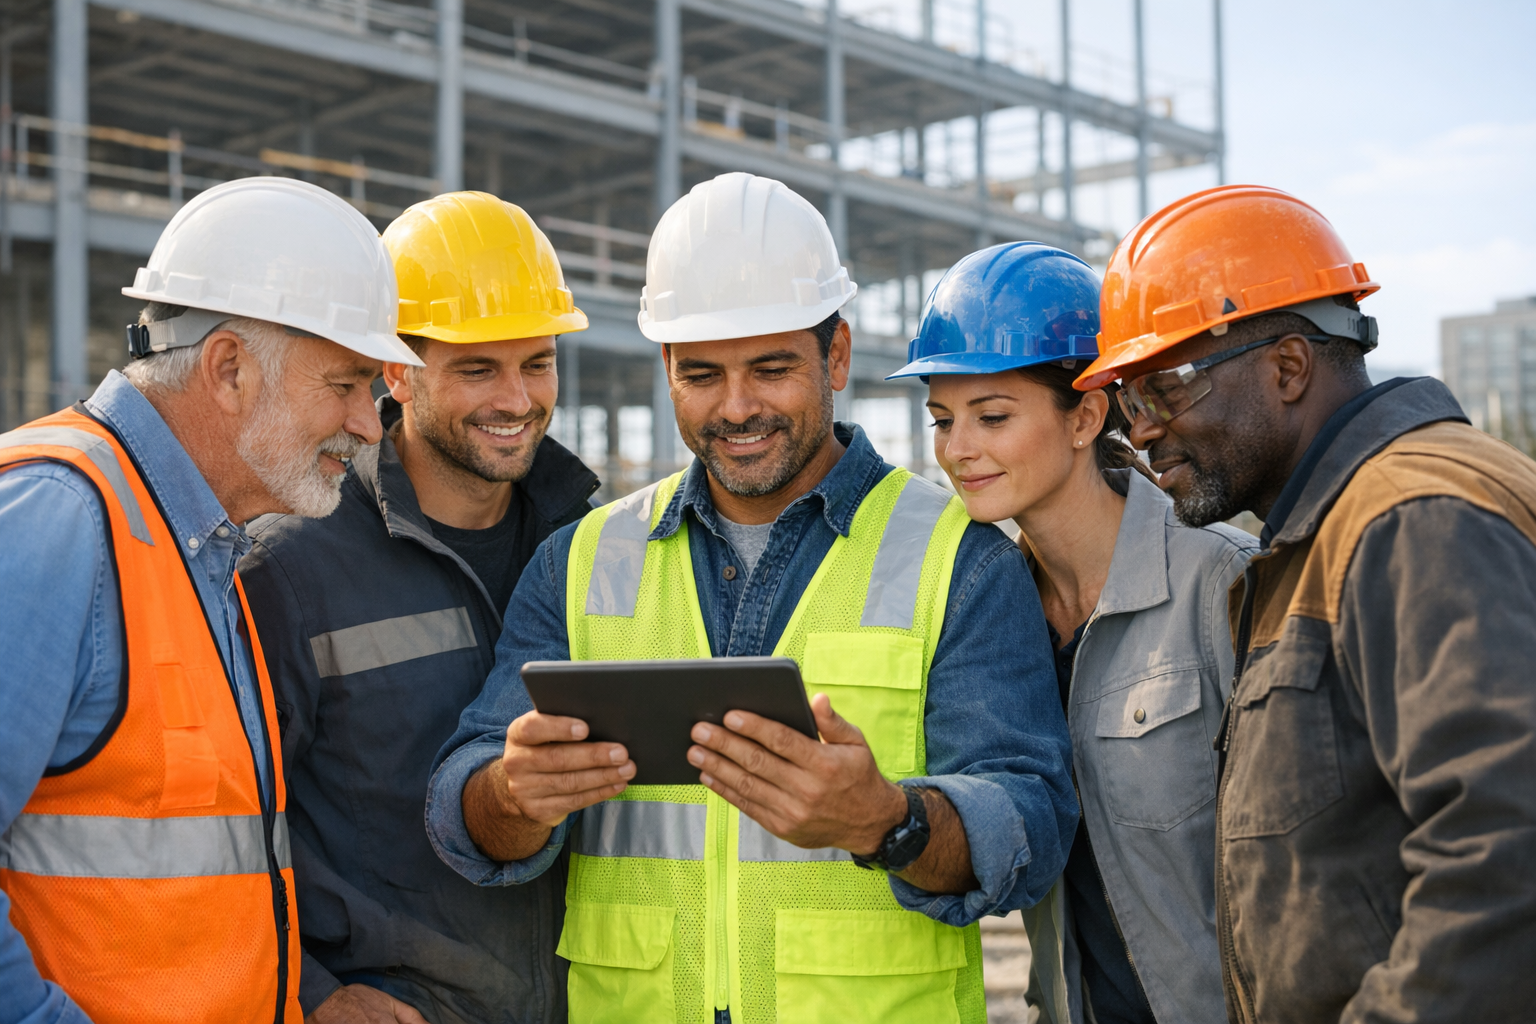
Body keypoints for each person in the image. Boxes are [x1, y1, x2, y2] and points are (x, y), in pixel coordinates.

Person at [424, 171, 1078, 1024]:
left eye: (771, 369)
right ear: (666, 368)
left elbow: (1031, 821)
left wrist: (888, 821)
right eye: (702, 375)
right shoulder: (581, 561)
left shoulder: (958, 560)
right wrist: (513, 796)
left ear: (836, 355)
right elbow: (461, 801)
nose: (737, 408)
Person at [1075, 183, 1536, 1023]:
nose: (1139, 431)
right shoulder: (1313, 543)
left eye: (1164, 390)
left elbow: (1506, 861)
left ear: (1287, 367)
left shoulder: (1411, 521)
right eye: (1129, 401)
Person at [0, 177, 420, 1024]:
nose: (370, 427)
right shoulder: (55, 518)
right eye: (344, 385)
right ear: (229, 369)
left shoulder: (202, 545)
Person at [238, 192, 598, 1024]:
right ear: (396, 370)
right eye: (478, 367)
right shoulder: (294, 564)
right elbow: (227, 822)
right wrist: (309, 992)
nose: (517, 398)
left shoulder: (591, 548)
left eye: (537, 362)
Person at [888, 241, 1254, 1024]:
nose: (957, 450)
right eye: (942, 420)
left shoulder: (1222, 584)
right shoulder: (986, 615)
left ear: (1086, 414)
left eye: (992, 417)